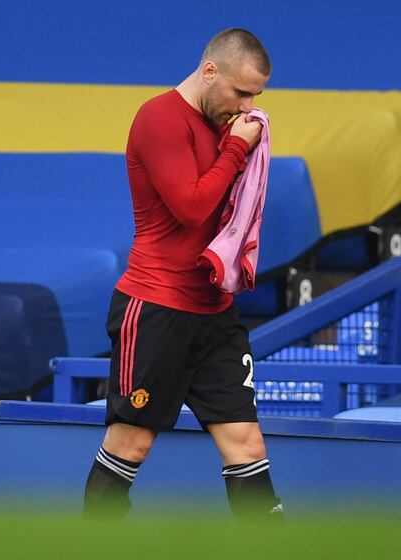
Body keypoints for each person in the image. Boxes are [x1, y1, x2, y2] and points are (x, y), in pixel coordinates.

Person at [83, 28, 282, 522]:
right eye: (241, 92)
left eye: (256, 95)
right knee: (131, 443)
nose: (246, 106)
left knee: (246, 442)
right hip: (155, 308)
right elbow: (192, 208)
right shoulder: (158, 118)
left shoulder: (225, 123)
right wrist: (237, 149)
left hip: (214, 311)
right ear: (210, 71)